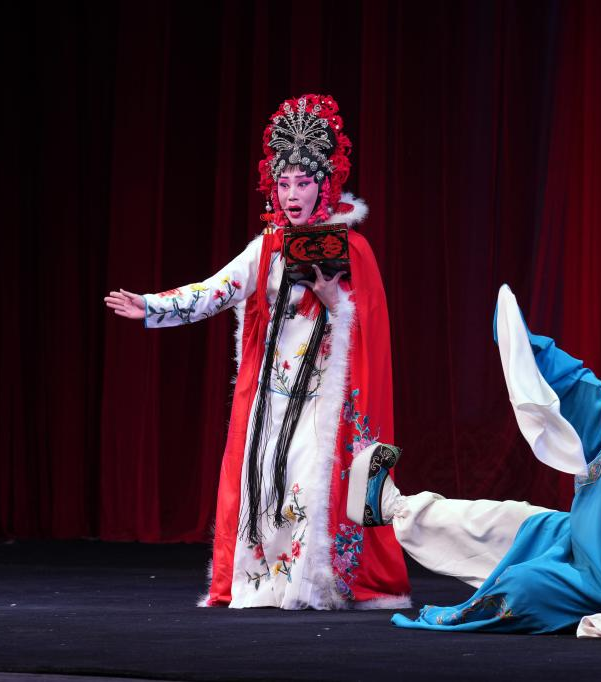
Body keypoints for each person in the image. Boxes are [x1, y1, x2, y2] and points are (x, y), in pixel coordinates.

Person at [105, 94, 410, 610]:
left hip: (323, 400)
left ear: (324, 185)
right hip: (273, 396)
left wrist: (332, 298)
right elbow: (217, 289)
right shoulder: (267, 246)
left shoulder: (352, 249)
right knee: (269, 483)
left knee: (308, 481)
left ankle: (314, 584)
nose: (291, 194)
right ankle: (270, 581)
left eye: (303, 183)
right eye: (283, 184)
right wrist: (153, 306)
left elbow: (368, 329)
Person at [347, 285, 601, 640]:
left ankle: (484, 603)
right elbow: (574, 385)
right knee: (503, 518)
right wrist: (523, 344)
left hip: (596, 584)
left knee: (522, 585)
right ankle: (389, 505)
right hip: (573, 539)